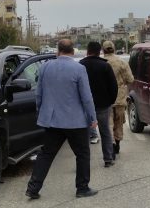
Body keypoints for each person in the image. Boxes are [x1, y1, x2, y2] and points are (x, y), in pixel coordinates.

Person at [25, 39, 99, 199]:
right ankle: (82, 188)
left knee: (46, 154)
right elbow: (87, 97)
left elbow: (39, 94)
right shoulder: (79, 69)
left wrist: (40, 112)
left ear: (58, 51)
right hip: (76, 121)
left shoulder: (45, 67)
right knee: (82, 154)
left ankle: (33, 188)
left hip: (53, 120)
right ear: (72, 52)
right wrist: (92, 117)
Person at [80, 41, 118, 167]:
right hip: (103, 104)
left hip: (84, 106)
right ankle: (108, 159)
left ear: (87, 51)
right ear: (99, 52)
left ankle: (83, 162)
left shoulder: (80, 65)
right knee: (105, 131)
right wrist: (110, 101)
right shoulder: (105, 66)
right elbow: (114, 86)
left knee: (84, 134)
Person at [102, 41, 134, 156]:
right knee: (119, 123)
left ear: (103, 50)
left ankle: (111, 145)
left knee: (108, 124)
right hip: (120, 98)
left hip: (106, 99)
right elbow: (130, 79)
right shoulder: (122, 62)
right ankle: (117, 143)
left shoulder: (102, 63)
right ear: (114, 49)